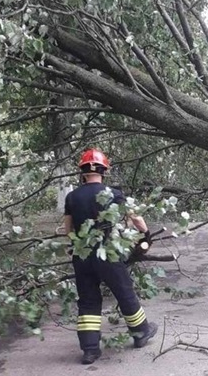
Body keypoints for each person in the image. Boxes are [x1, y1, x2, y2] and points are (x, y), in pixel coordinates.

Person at [64, 148, 158, 364]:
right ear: (104, 170)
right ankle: (141, 332)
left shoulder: (72, 197)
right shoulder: (113, 193)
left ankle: (89, 349)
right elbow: (136, 219)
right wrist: (146, 234)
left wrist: (74, 246)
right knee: (124, 292)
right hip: (108, 253)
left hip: (82, 255)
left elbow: (68, 228)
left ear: (82, 171)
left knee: (87, 301)